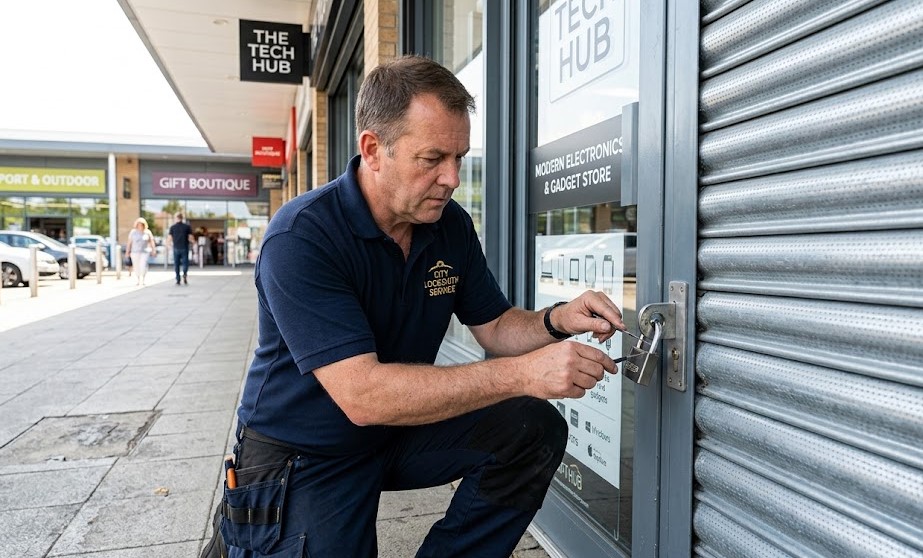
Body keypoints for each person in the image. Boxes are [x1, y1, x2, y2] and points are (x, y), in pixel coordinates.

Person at [212, 55, 625, 558]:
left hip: (396, 432)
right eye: (433, 159)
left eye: (460, 158)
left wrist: (557, 319)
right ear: (373, 149)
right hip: (304, 453)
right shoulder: (302, 237)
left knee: (531, 428)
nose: (451, 178)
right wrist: (523, 375)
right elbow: (363, 396)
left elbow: (494, 326)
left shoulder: (448, 225)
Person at [125, 217, 156, 286]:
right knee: (136, 266)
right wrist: (127, 252)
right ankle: (138, 279)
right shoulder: (133, 232)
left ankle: (143, 279)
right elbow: (129, 242)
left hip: (144, 252)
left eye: (141, 224)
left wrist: (153, 250)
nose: (140, 226)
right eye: (138, 224)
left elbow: (151, 241)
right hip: (135, 252)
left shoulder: (147, 232)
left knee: (143, 265)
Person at [167, 212, 194, 285]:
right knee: (185, 263)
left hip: (176, 248)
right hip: (184, 247)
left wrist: (168, 246)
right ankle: (184, 274)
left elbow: (169, 238)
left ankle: (178, 279)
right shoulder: (187, 227)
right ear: (182, 218)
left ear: (176, 218)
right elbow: (190, 237)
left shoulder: (172, 227)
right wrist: (194, 242)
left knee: (176, 264)